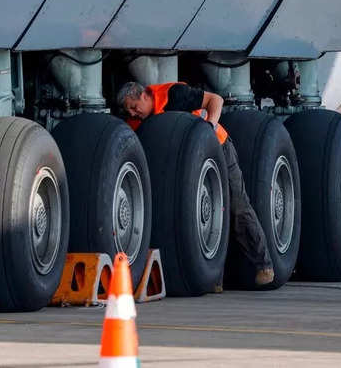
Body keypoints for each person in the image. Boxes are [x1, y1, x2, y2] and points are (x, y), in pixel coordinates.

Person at [117, 81, 274, 286]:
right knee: (203, 215)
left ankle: (264, 265)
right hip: (189, 162)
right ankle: (215, 278)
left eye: (134, 107)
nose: (133, 113)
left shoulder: (173, 94)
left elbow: (215, 100)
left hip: (218, 147)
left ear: (145, 96)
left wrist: (210, 128)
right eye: (128, 111)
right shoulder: (139, 122)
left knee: (237, 206)